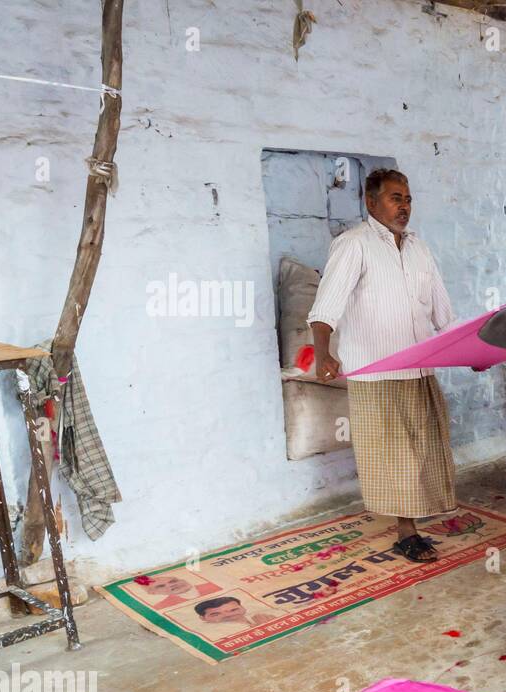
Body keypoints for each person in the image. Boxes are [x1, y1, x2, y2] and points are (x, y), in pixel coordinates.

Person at [308, 169, 458, 562]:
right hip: (377, 371)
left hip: (420, 367)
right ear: (371, 203)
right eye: (395, 198)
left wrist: (468, 352)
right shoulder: (353, 245)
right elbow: (326, 307)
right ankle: (405, 532)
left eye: (407, 199)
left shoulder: (420, 249)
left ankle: (414, 523)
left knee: (424, 450)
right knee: (394, 456)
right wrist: (322, 351)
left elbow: (443, 312)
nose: (404, 206)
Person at [194, 596, 274, 627]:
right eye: (216, 614)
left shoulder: (264, 615)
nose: (228, 615)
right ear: (202, 618)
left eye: (233, 610)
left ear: (243, 608)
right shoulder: (210, 631)